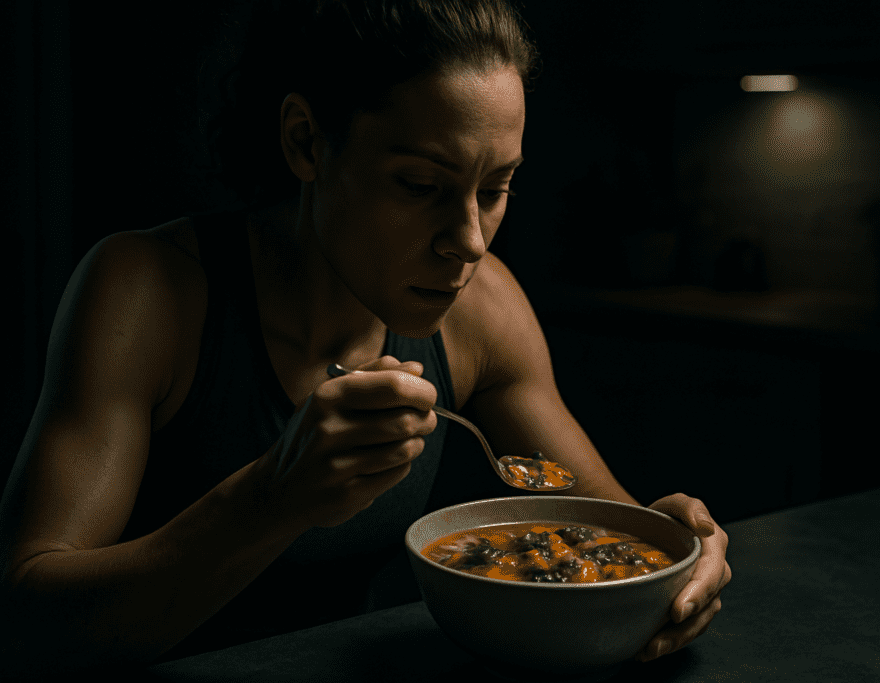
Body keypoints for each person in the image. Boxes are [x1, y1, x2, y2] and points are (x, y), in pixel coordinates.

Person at [0, 0, 730, 677]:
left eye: (496, 187)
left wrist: (681, 555)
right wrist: (273, 494)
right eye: (420, 185)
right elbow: (27, 619)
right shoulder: (148, 293)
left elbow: (615, 536)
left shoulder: (483, 306)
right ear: (306, 142)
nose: (469, 241)